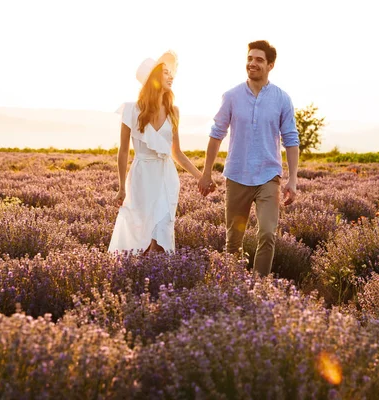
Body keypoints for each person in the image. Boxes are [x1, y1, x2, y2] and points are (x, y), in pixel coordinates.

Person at [198, 40, 300, 276]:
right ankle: (234, 287)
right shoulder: (232, 96)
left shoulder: (282, 99)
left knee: (267, 233)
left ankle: (259, 286)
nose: (252, 64)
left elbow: (291, 140)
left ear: (270, 65)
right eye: (250, 59)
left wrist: (292, 179)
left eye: (259, 60)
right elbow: (216, 135)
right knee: (233, 239)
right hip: (237, 176)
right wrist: (205, 174)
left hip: (268, 177)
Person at [109, 50, 206, 254]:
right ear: (153, 78)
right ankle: (141, 279)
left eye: (171, 73)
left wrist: (201, 177)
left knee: (161, 232)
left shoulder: (174, 111)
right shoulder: (131, 110)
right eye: (165, 73)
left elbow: (177, 153)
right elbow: (123, 152)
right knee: (140, 234)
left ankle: (158, 279)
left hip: (165, 177)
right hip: (141, 177)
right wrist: (121, 187)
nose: (171, 77)